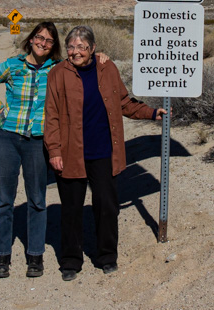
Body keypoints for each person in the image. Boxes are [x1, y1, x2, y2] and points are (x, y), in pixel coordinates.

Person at [0, 22, 109, 279]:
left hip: (38, 142)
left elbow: (85, 65)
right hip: (6, 138)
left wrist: (102, 56)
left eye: (49, 41)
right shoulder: (12, 65)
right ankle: (1, 256)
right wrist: (0, 108)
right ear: (30, 39)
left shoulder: (58, 69)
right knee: (4, 200)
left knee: (37, 199)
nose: (43, 43)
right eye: (39, 38)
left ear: (53, 46)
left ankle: (35, 256)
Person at [43, 25, 167, 281]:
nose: (75, 52)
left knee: (107, 207)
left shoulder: (107, 68)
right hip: (70, 153)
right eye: (71, 47)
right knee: (72, 209)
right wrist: (54, 150)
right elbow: (51, 115)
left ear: (93, 48)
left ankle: (107, 256)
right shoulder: (58, 73)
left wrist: (152, 113)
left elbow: (123, 102)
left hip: (103, 152)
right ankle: (70, 261)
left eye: (81, 47)